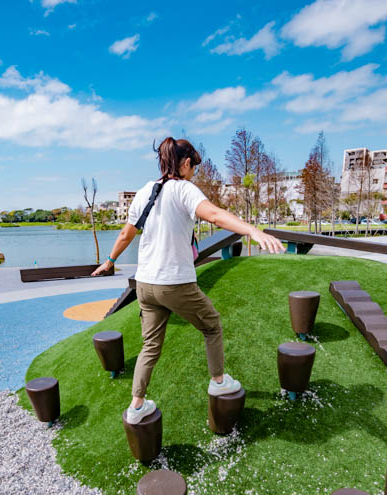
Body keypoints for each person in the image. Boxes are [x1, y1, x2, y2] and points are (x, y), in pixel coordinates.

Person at [92, 137, 285, 425]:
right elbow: (216, 216)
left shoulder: (145, 191)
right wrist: (253, 232)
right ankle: (219, 381)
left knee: (150, 346)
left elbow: (125, 235)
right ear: (185, 163)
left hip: (145, 285)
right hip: (174, 283)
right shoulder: (184, 189)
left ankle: (136, 406)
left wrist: (109, 262)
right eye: (193, 165)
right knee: (212, 325)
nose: (193, 171)